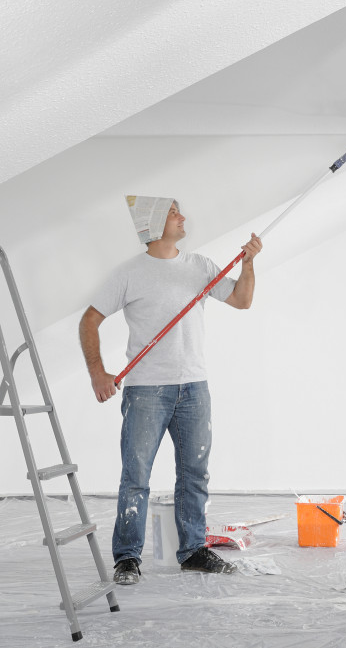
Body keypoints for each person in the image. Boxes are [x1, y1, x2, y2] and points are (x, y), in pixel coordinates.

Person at [79, 195, 262, 585]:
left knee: (195, 474)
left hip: (194, 387)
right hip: (146, 390)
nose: (182, 217)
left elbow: (242, 300)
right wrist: (98, 372)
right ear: (154, 224)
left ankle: (194, 551)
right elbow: (89, 320)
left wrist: (247, 264)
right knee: (136, 477)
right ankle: (127, 558)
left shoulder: (199, 266)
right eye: (174, 212)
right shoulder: (129, 273)